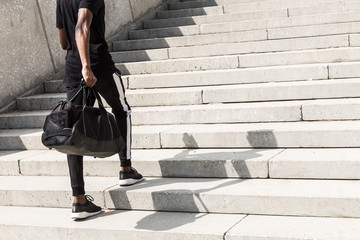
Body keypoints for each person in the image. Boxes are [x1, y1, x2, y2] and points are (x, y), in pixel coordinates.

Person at [56, 0, 144, 220]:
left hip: (72, 67)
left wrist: (78, 60)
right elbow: (82, 26)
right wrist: (87, 66)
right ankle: (126, 169)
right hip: (97, 65)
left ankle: (79, 199)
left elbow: (63, 41)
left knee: (73, 133)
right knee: (121, 109)